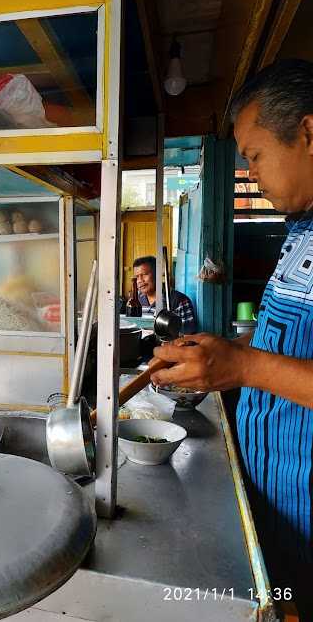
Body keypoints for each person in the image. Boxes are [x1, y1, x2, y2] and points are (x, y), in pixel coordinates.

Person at [149, 59, 313, 620]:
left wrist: (241, 367)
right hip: (279, 512)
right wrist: (215, 353)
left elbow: (257, 365)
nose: (252, 173)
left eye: (255, 155)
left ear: (308, 133)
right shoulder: (302, 232)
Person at [133, 255, 196, 333]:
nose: (139, 280)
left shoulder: (179, 300)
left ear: (157, 275)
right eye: (137, 277)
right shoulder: (137, 301)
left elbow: (188, 335)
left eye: (144, 274)